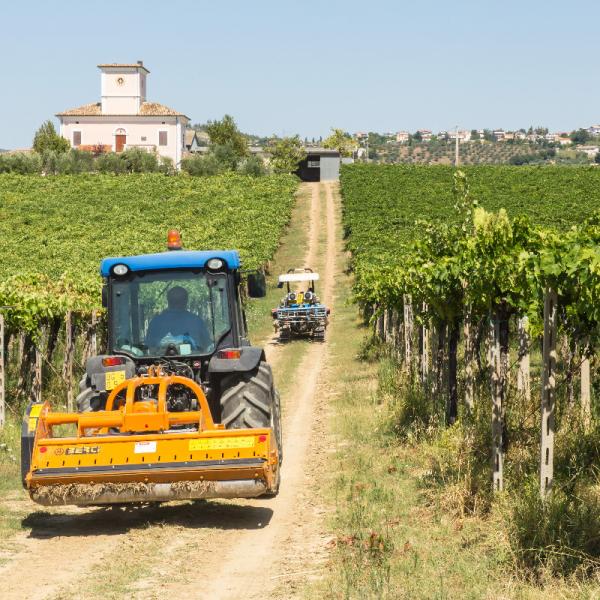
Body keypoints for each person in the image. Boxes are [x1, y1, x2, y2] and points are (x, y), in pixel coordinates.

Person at [146, 286, 211, 351]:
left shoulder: (156, 322)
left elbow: (149, 347)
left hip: (160, 360)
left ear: (168, 300)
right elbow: (207, 346)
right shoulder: (197, 321)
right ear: (186, 301)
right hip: (194, 360)